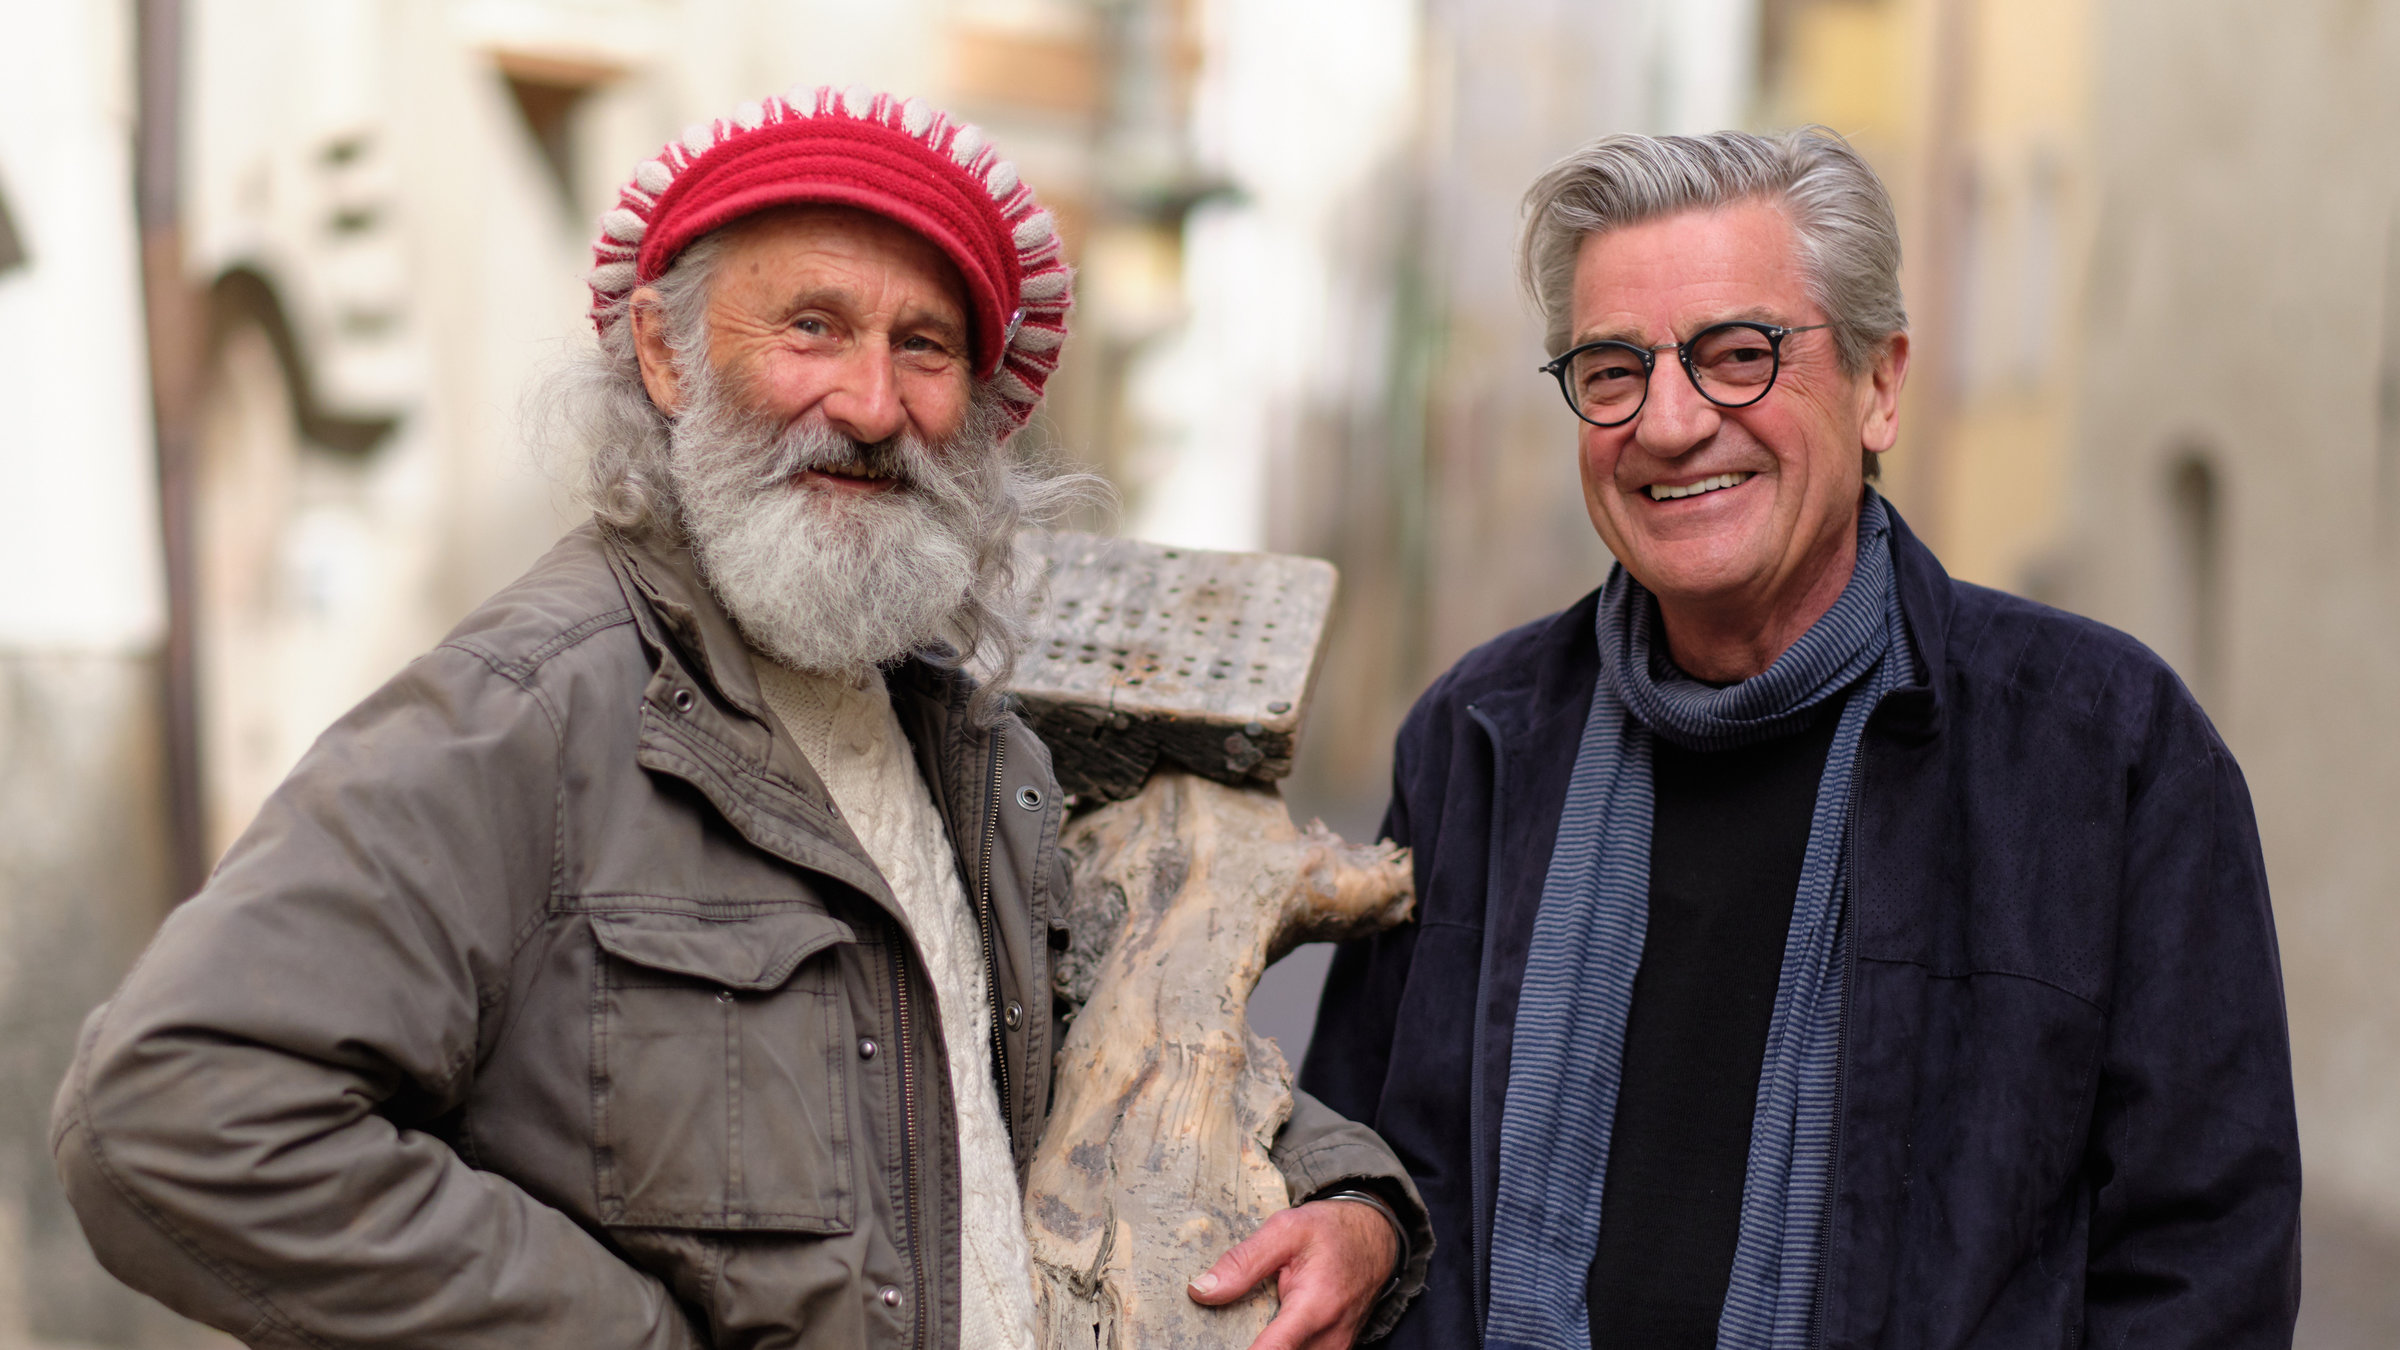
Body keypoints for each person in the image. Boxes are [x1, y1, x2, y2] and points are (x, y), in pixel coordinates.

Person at [53, 86, 1425, 1350]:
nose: (872, 403)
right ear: (663, 352)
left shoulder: (964, 746)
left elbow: (1085, 1033)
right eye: (812, 327)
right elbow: (171, 1111)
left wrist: (1342, 1195)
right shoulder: (533, 712)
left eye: (925, 347)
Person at [1300, 128, 2300, 1350]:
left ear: (1879, 385)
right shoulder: (1478, 739)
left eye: (1738, 355)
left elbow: (2206, 1265)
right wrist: (1355, 1212)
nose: (1668, 424)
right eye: (1611, 370)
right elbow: (1363, 1155)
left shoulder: (2105, 751)